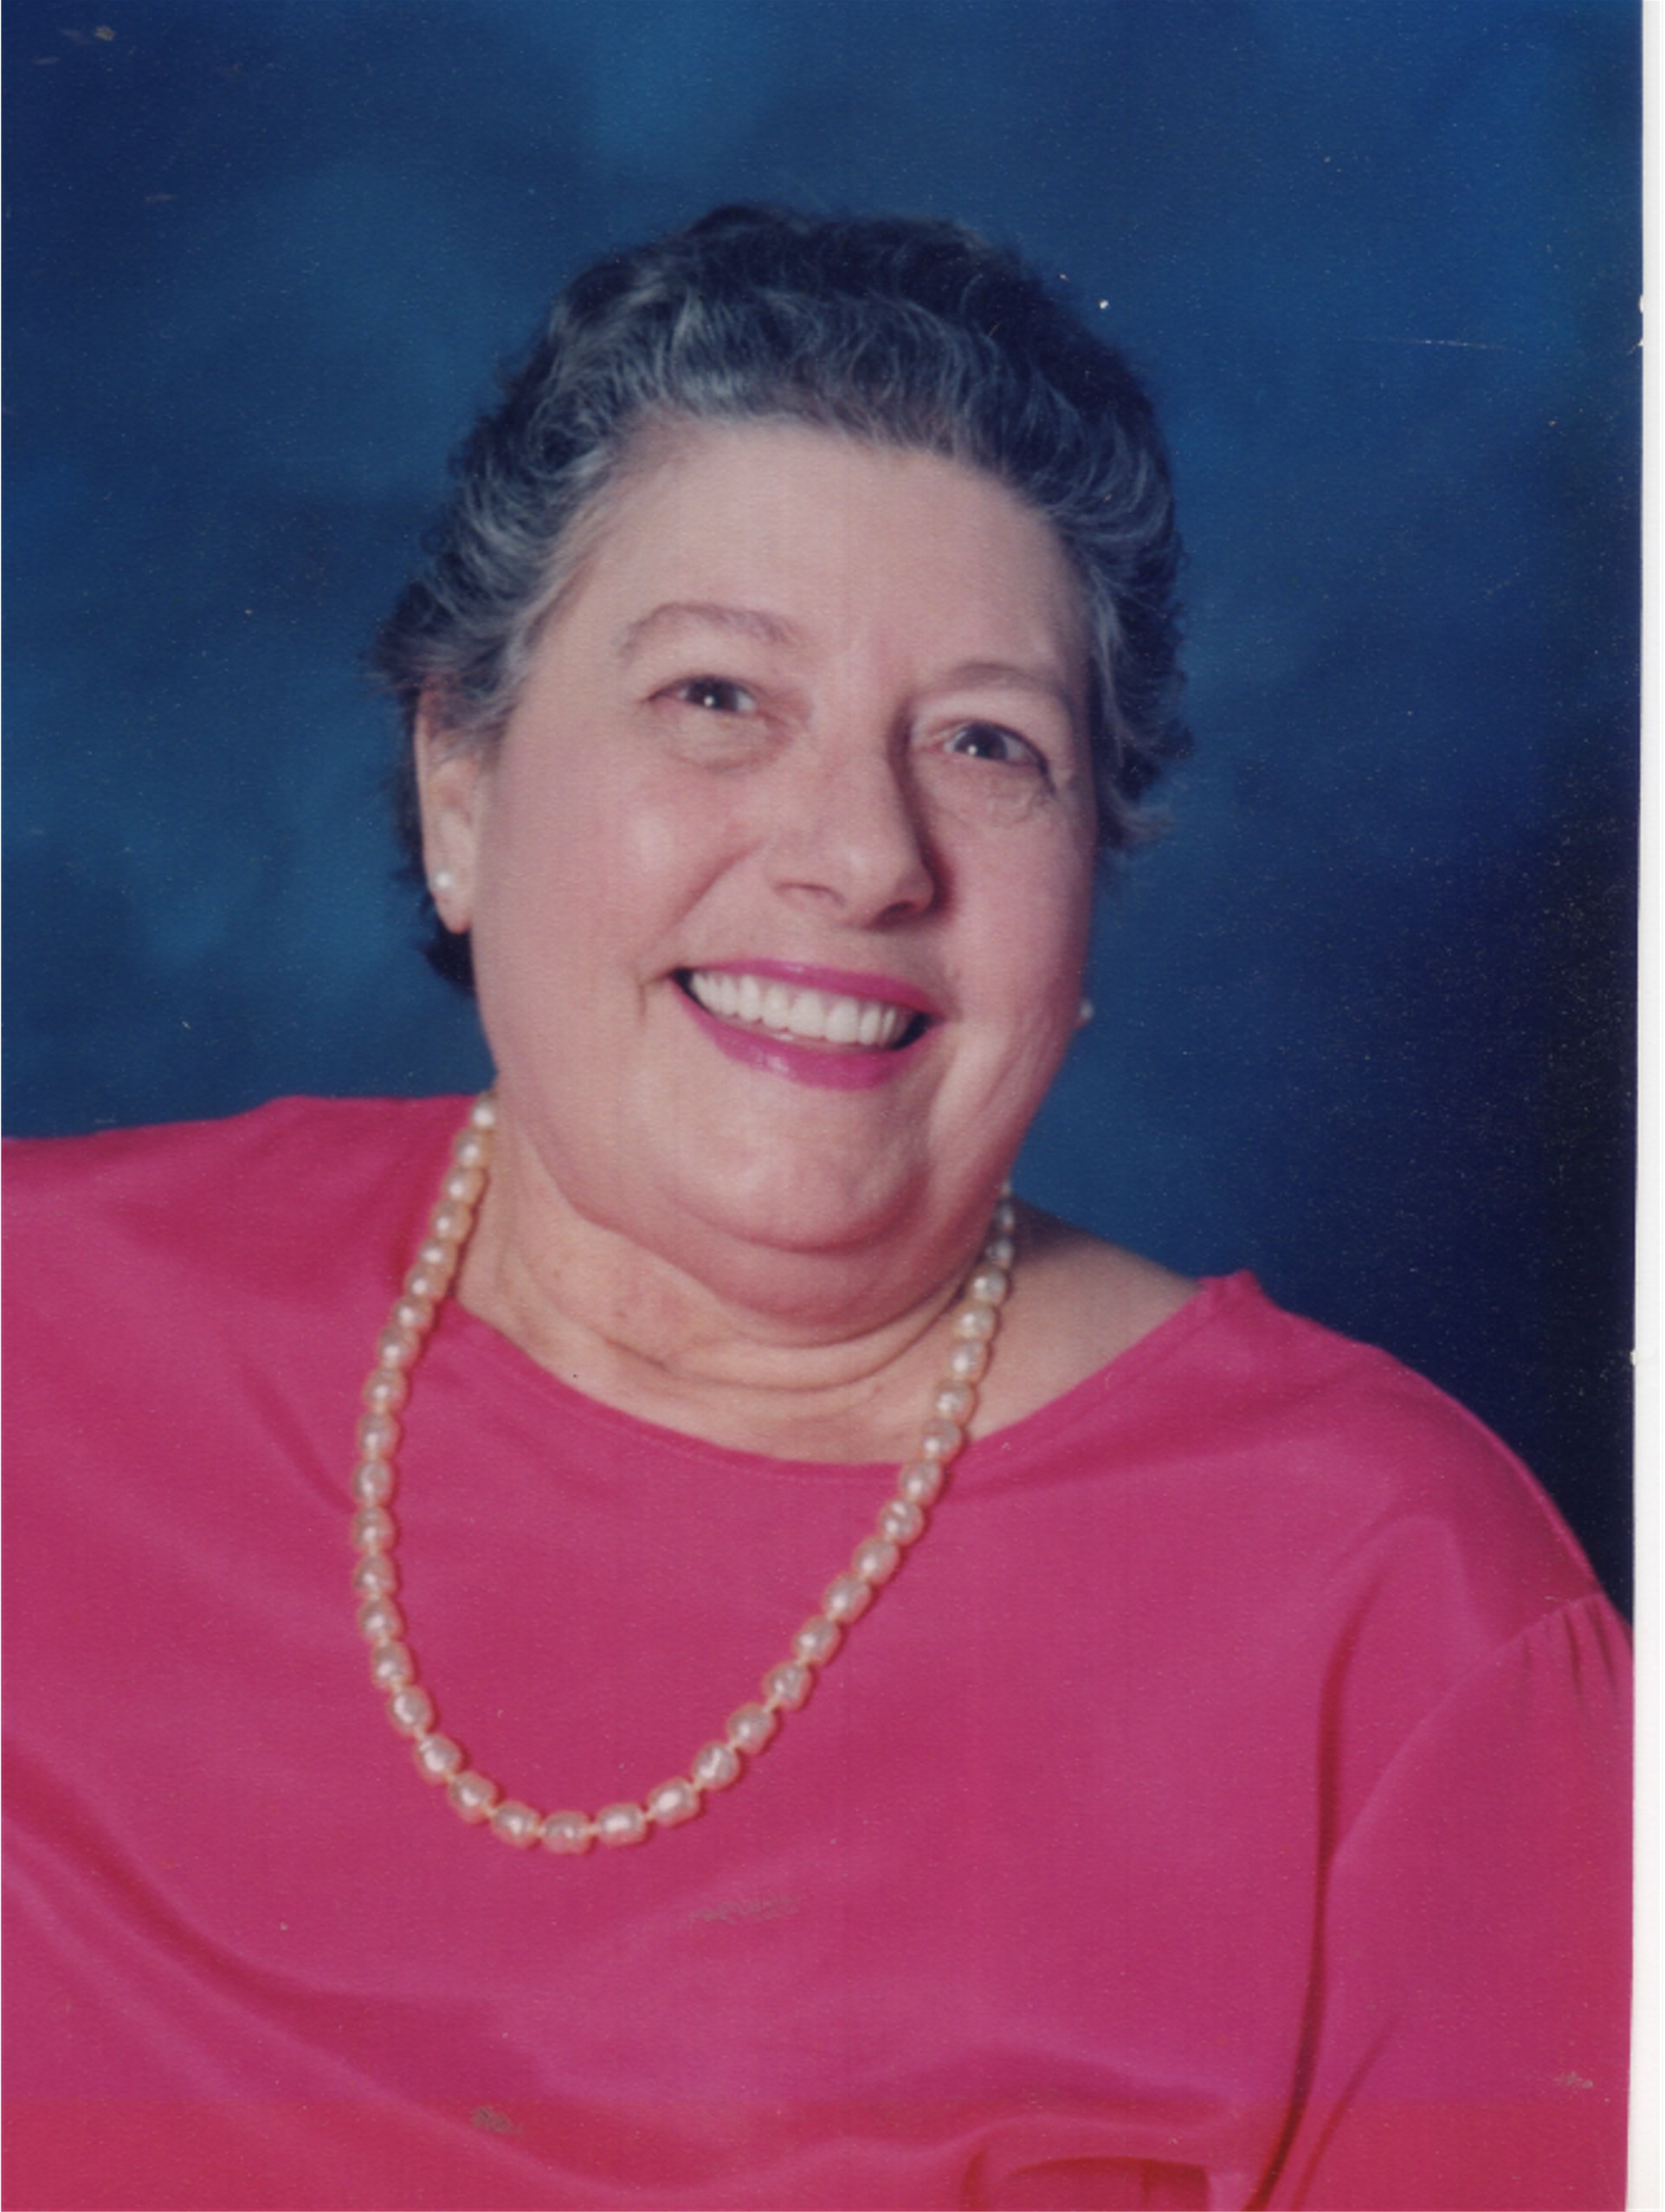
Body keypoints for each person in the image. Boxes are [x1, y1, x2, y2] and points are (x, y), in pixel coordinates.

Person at [3, 204, 1630, 2212]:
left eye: (986, 743)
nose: (863, 854)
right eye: (716, 695)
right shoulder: (33, 1329)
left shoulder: (1405, 1617)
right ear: (459, 785)